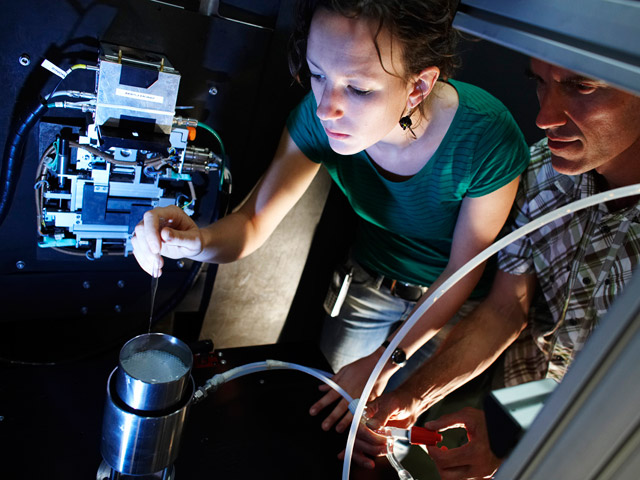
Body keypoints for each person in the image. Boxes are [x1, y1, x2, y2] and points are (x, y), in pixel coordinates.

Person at [131, 0, 529, 448]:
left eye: (358, 89)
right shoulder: (318, 118)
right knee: (335, 431)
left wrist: (385, 361)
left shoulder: (487, 136)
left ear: (419, 86)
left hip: (452, 309)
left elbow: (463, 268)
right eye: (318, 75)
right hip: (368, 285)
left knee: (391, 442)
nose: (326, 109)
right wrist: (194, 240)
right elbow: (251, 223)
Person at [363, 58, 640, 477]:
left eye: (582, 87)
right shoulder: (542, 172)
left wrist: (527, 435)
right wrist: (414, 396)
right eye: (540, 84)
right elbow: (505, 308)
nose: (545, 117)